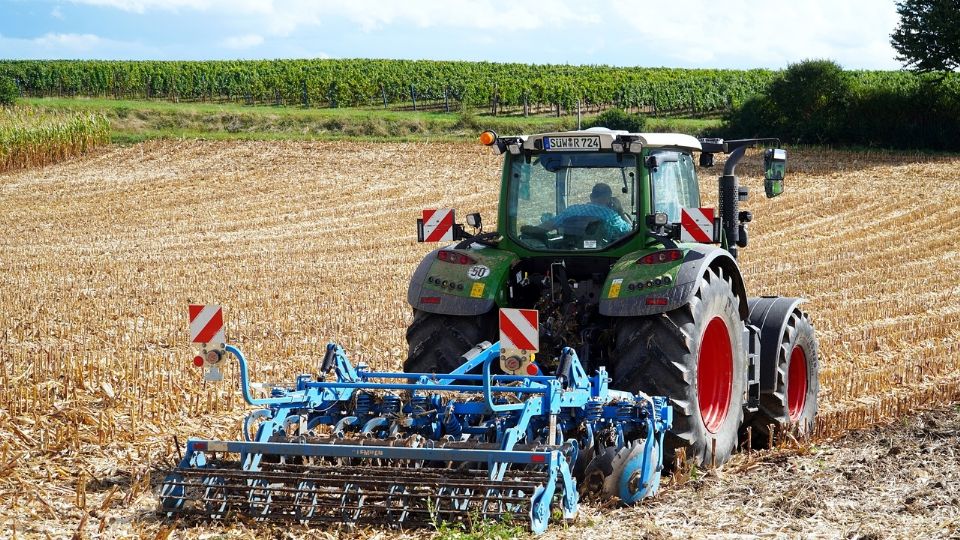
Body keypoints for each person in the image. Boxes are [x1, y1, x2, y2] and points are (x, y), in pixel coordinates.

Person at [527, 182, 631, 241]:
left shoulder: (572, 210)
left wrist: (532, 230)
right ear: (609, 199)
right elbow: (630, 232)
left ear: (591, 197)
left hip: (569, 252)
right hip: (601, 254)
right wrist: (620, 211)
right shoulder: (610, 216)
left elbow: (549, 225)